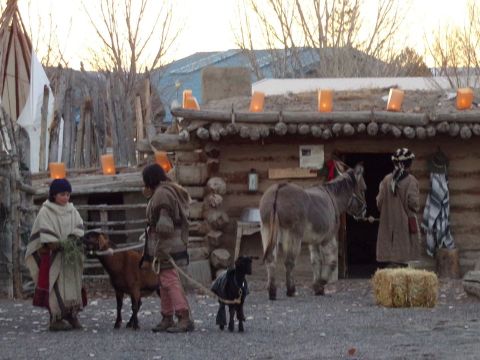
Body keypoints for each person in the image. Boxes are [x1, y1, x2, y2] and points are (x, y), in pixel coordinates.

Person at [140, 163, 194, 333]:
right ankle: (167, 316)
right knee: (163, 282)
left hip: (167, 247)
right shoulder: (165, 191)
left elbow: (164, 226)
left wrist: (160, 249)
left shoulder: (162, 194)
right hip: (168, 245)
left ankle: (183, 316)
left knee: (169, 281)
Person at [25, 178, 85, 331]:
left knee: (72, 285)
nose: (66, 198)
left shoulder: (72, 210)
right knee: (55, 286)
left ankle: (72, 314)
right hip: (54, 257)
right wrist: (57, 244)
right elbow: (44, 234)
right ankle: (56, 318)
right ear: (53, 195)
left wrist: (73, 240)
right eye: (62, 194)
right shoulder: (46, 211)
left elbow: (79, 227)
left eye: (68, 194)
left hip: (70, 258)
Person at [376, 148, 420, 267]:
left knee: (391, 257)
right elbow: (414, 204)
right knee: (404, 258)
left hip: (388, 223)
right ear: (409, 164)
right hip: (404, 225)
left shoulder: (386, 180)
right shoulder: (411, 181)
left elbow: (379, 203)